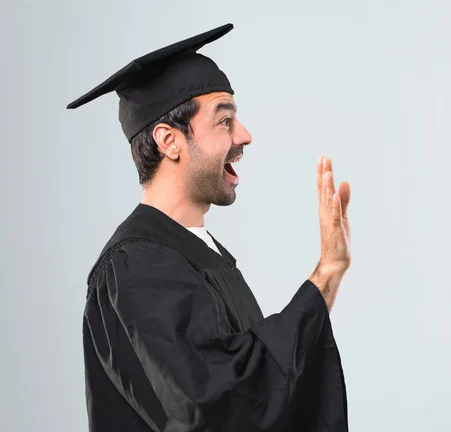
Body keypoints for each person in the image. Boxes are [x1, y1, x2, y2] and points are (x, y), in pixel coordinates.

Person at [67, 23, 352, 431]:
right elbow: (218, 405)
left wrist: (331, 276)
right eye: (224, 120)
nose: (245, 135)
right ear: (169, 141)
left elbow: (259, 390)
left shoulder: (200, 254)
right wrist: (325, 276)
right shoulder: (136, 268)